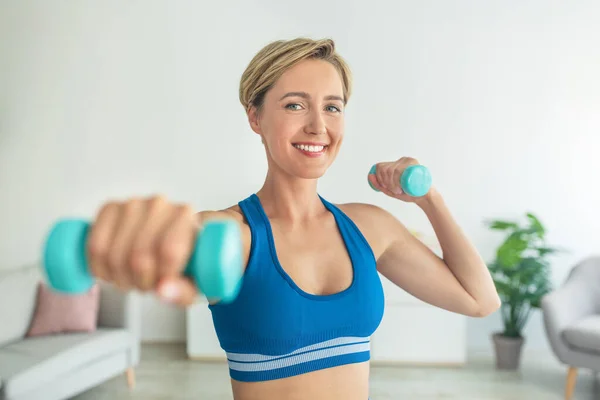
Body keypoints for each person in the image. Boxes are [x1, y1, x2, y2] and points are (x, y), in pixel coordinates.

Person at [86, 37, 501, 400]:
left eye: (333, 107)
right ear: (256, 117)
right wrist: (140, 238)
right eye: (295, 104)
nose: (318, 126)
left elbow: (479, 300)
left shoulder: (369, 228)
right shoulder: (233, 234)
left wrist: (428, 198)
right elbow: (174, 242)